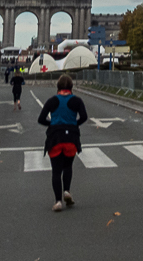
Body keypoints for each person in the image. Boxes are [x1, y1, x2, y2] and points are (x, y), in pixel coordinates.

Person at [38, 74, 89, 212]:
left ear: (58, 87)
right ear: (71, 87)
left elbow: (41, 119)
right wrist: (74, 125)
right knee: (68, 166)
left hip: (55, 137)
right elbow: (84, 117)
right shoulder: (77, 101)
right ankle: (67, 190)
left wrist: (53, 124)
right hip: (71, 139)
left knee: (56, 171)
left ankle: (58, 201)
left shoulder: (52, 100)